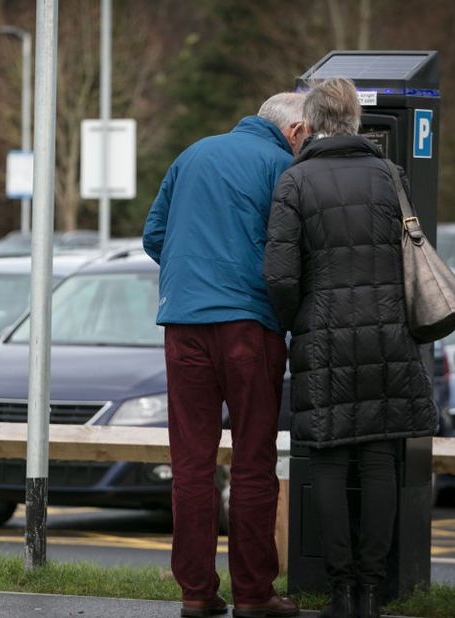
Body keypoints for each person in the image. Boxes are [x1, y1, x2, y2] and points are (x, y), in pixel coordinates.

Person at [264, 78, 438, 618]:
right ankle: (370, 592)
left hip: (325, 338)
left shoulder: (295, 181)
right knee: (381, 459)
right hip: (389, 335)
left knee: (332, 462)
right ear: (358, 123)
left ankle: (339, 591)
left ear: (311, 123)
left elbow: (279, 273)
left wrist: (299, 321)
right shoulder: (391, 175)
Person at [143, 93, 307, 618]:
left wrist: (192, 275)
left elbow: (155, 235)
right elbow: (291, 249)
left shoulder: (191, 155)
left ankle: (196, 592)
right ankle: (254, 594)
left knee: (191, 463)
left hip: (184, 325)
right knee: (253, 463)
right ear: (297, 129)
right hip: (248, 328)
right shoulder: (282, 165)